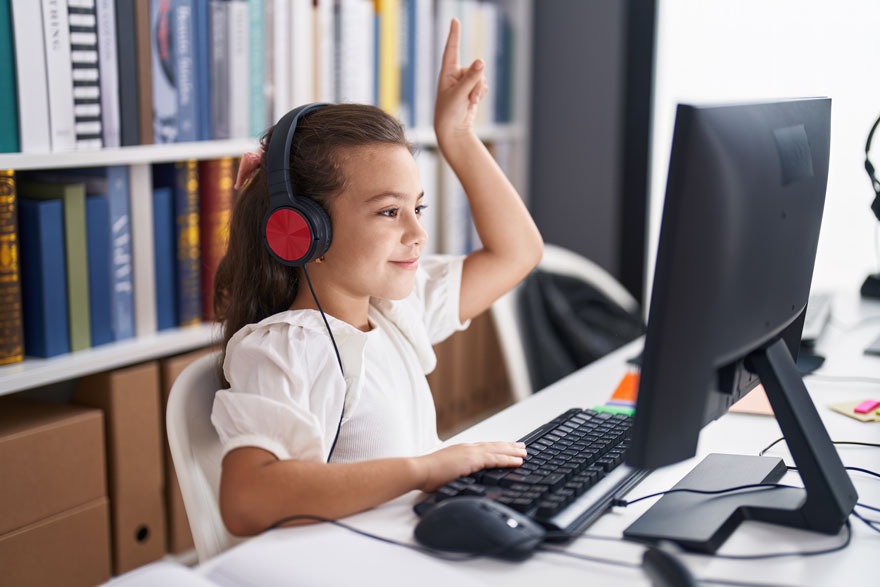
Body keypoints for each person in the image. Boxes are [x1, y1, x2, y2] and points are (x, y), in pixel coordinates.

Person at [211, 19, 544, 537]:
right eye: (390, 212)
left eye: (418, 208)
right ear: (304, 230)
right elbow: (247, 499)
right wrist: (423, 470)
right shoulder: (288, 349)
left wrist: (457, 137)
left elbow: (517, 252)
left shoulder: (393, 311)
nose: (418, 233)